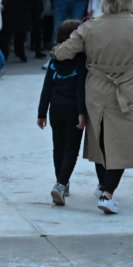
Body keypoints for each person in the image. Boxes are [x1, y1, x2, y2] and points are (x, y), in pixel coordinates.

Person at [53, 0, 133, 215]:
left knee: (101, 140)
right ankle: (107, 194)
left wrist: (54, 52)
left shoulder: (91, 26)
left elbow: (64, 51)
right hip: (130, 89)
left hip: (97, 90)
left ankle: (103, 186)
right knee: (121, 142)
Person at [38, 19, 87, 206]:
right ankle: (60, 184)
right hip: (73, 109)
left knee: (57, 147)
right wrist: (82, 112)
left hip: (55, 109)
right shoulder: (82, 61)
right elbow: (80, 89)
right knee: (71, 149)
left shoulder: (54, 59)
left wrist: (41, 113)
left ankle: (62, 182)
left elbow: (46, 88)